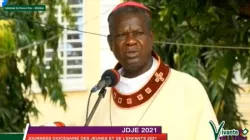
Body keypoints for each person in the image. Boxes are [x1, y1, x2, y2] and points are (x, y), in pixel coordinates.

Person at [89, 1, 219, 140]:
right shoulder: (98, 98)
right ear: (110, 43)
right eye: (121, 35)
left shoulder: (189, 89)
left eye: (138, 33)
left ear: (151, 38)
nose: (130, 41)